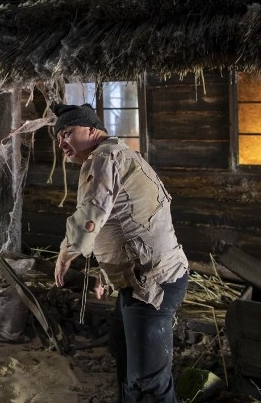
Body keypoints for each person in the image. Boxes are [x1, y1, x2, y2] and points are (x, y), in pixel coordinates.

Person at [51, 103, 189, 403]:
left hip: (153, 281)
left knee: (148, 382)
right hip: (137, 279)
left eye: (67, 133)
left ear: (91, 130)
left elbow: (91, 216)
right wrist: (106, 271)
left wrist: (65, 254)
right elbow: (123, 221)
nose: (62, 143)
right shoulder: (115, 155)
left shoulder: (105, 156)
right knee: (123, 354)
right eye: (58, 137)